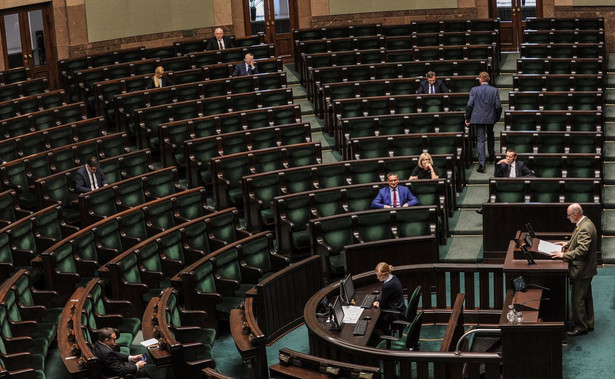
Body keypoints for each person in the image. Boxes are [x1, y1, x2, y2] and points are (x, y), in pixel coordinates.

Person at [551, 203, 597, 337]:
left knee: (578, 299)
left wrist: (563, 255)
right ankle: (588, 322)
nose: (568, 217)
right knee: (585, 297)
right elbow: (579, 242)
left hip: (582, 270)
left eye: (569, 215)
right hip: (587, 268)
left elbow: (582, 250)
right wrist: (568, 244)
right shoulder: (585, 223)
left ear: (576, 215)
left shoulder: (585, 228)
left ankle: (580, 327)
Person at [465, 71, 502, 173]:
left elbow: (470, 105)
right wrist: (496, 117)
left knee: (480, 140)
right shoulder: (494, 90)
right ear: (489, 79)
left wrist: (467, 117)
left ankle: (482, 164)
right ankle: (491, 156)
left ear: (480, 80)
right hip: (490, 117)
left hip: (478, 118)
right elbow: (498, 106)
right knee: (490, 134)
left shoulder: (474, 90)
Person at [476, 149, 534, 214]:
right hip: (506, 186)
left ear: (515, 157)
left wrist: (519, 179)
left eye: (510, 157)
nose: (508, 158)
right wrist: (499, 163)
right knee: (495, 192)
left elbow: (531, 174)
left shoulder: (521, 164)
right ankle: (485, 209)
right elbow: (496, 176)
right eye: (506, 156)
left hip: (518, 185)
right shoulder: (504, 165)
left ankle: (484, 208)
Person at [372, 262, 407, 333]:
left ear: (386, 274)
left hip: (395, 314)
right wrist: (379, 300)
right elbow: (385, 297)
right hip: (400, 308)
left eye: (379, 276)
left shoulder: (387, 285)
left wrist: (377, 302)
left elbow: (382, 302)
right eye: (377, 275)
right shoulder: (393, 277)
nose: (377, 278)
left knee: (373, 320)